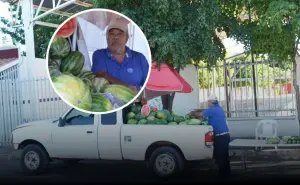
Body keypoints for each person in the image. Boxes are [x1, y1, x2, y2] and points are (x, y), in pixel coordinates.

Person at [91, 18, 149, 94]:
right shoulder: (99, 55)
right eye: (111, 34)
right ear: (106, 37)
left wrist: (142, 97)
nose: (115, 37)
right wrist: (126, 88)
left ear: (127, 38)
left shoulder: (140, 58)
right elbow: (100, 74)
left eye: (120, 34)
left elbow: (148, 85)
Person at [189, 94, 231, 179]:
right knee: (224, 157)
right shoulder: (218, 108)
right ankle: (226, 174)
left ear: (210, 102)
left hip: (220, 137)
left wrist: (193, 113)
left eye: (208, 102)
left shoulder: (213, 110)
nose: (207, 103)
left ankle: (222, 176)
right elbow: (206, 113)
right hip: (225, 136)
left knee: (220, 158)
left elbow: (200, 115)